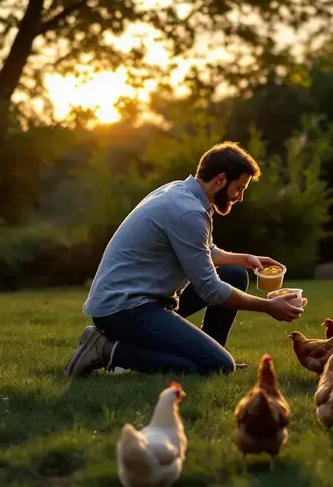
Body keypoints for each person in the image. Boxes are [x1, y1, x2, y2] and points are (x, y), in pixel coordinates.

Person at [64, 141, 307, 378]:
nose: (240, 197)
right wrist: (267, 306)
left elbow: (202, 251)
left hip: (143, 299)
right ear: (221, 180)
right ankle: (107, 349)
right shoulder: (188, 212)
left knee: (234, 273)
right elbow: (210, 290)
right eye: (239, 189)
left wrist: (245, 259)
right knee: (219, 366)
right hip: (125, 308)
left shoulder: (182, 193)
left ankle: (210, 351)